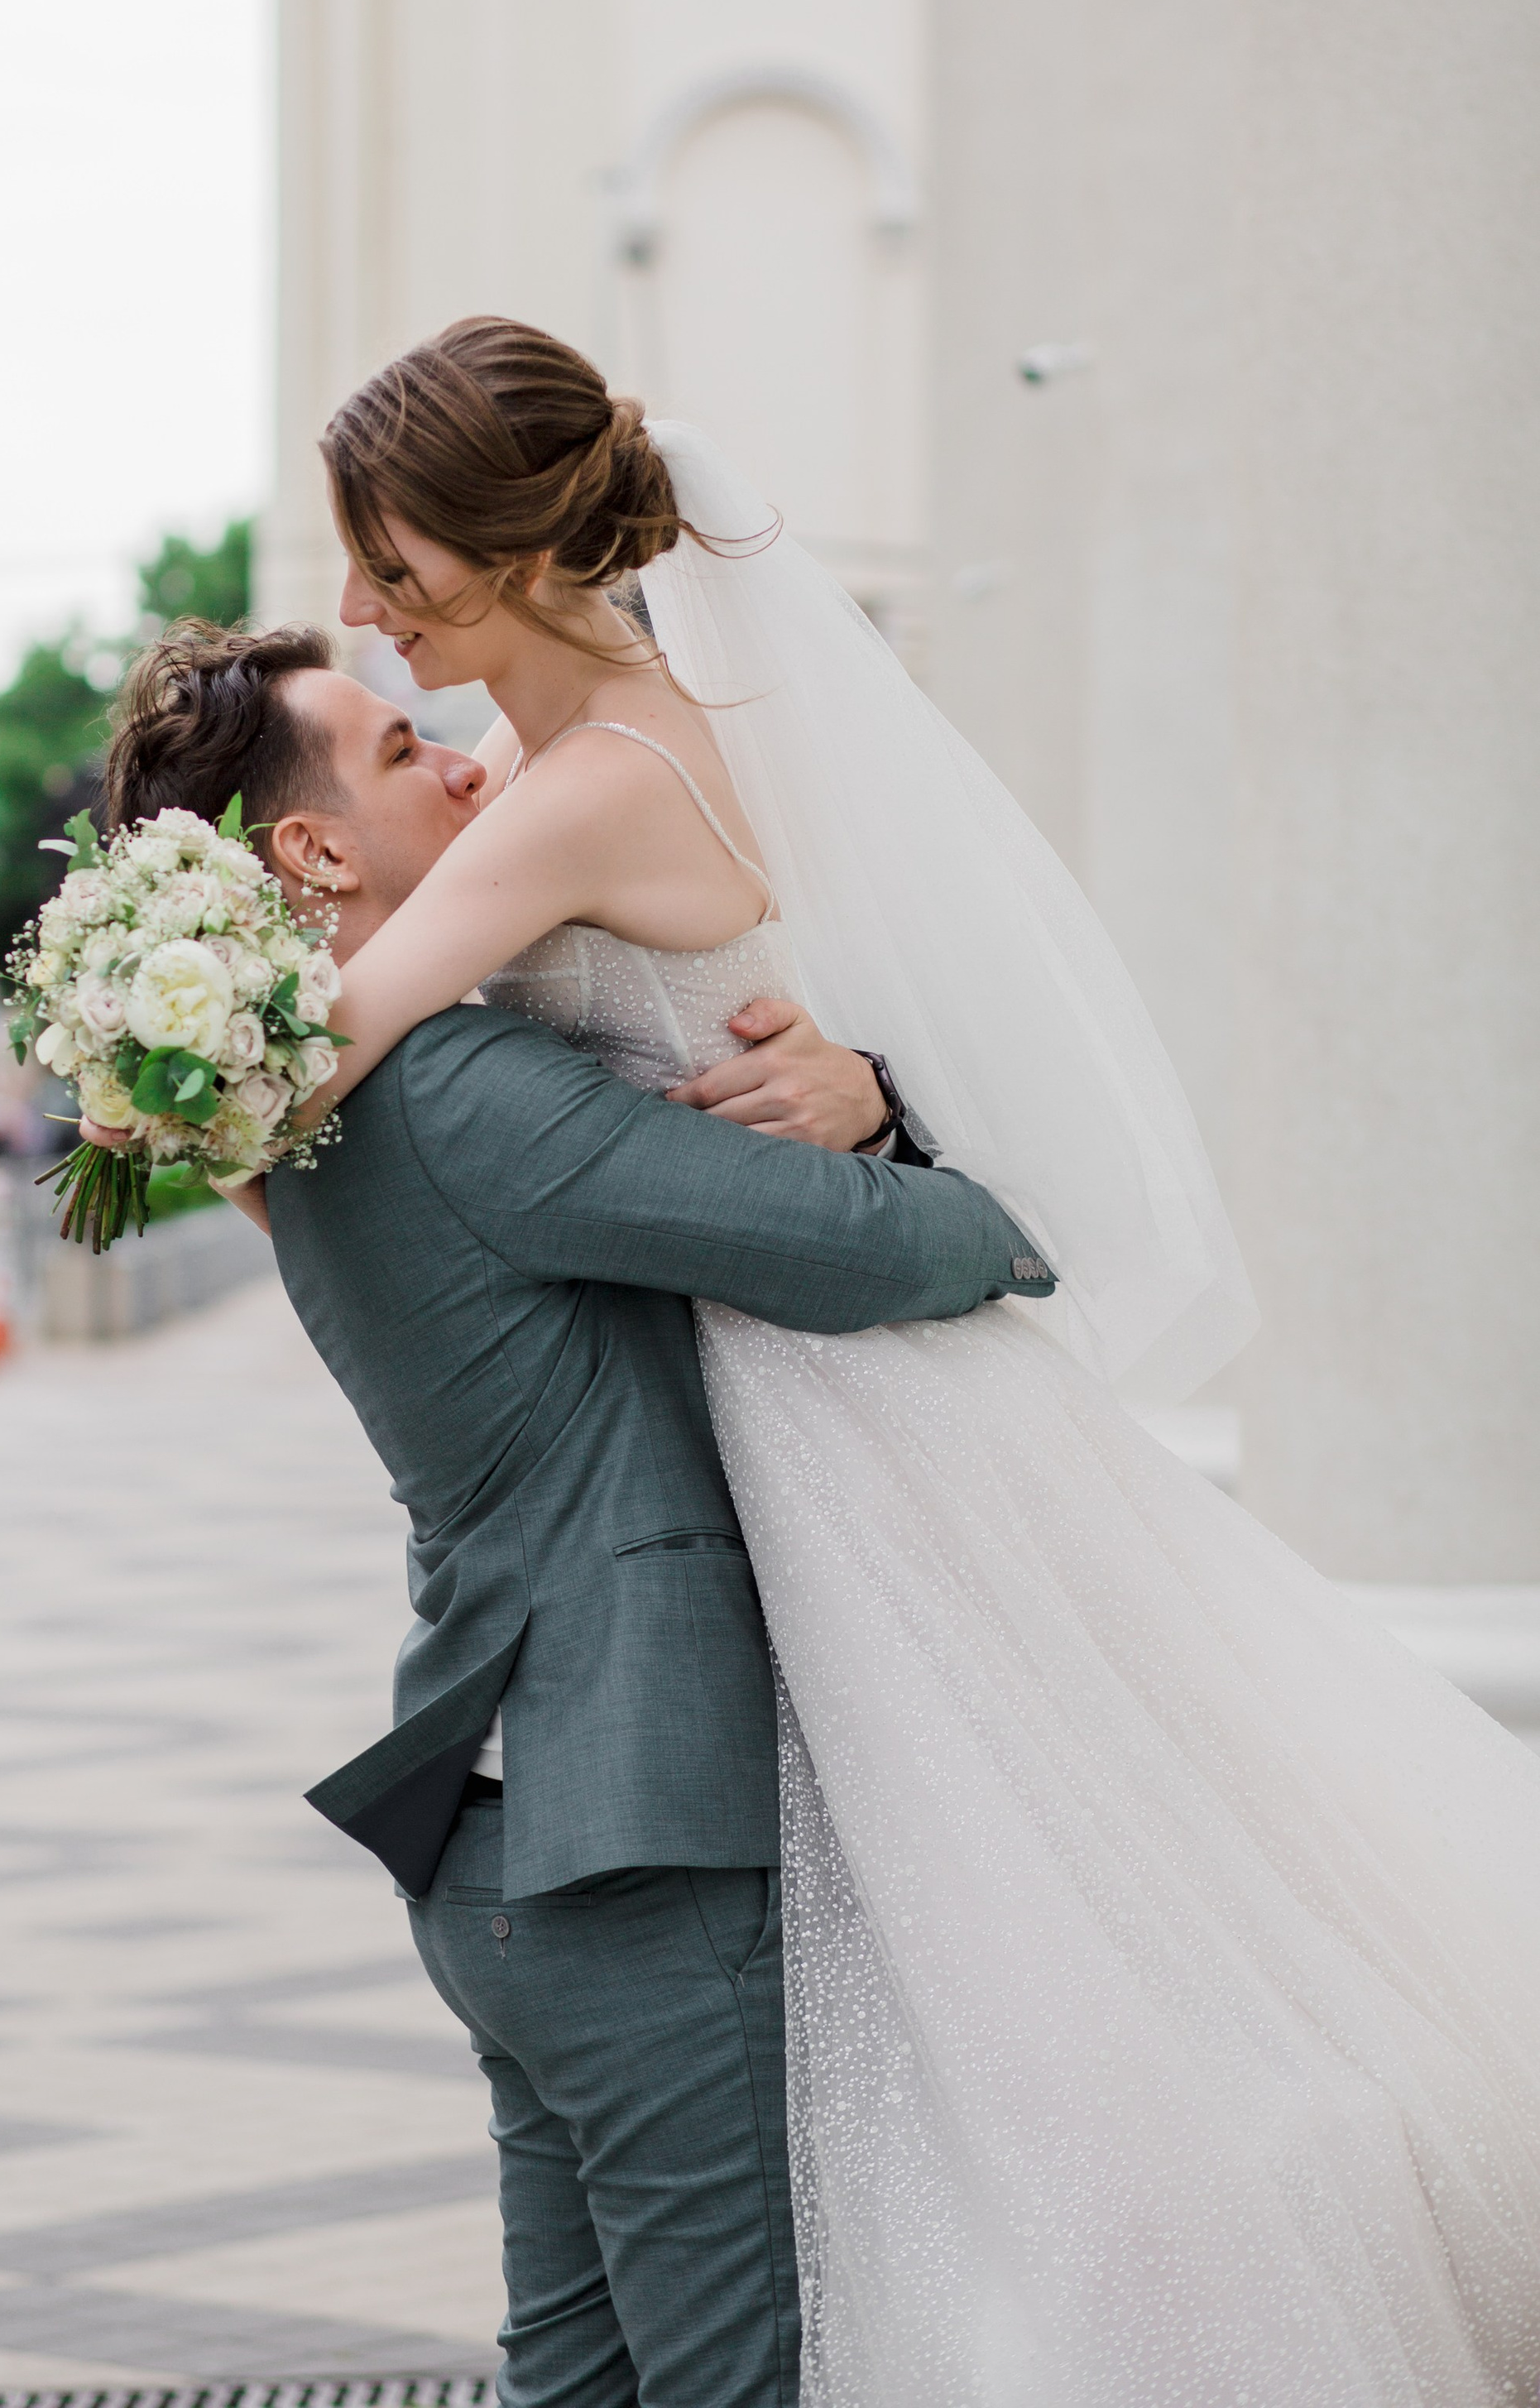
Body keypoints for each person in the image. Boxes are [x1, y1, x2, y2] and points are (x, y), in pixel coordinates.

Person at [118, 319, 1540, 2406]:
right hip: (723, 1496)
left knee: (1031, 1990)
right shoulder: (560, 777)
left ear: (506, 551)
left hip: (782, 1438)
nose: (362, 607)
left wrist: (159, 1063)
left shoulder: (563, 798)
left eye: (387, 564)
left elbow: (321, 1050)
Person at [101, 618, 1050, 2408]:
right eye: (400, 753)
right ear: (308, 855)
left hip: (499, 1841)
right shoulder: (454, 1090)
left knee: (577, 2375)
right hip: (620, 1843)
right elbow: (880, 1254)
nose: (469, 761)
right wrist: (912, 1138)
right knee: (726, 2380)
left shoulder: (304, 1123)